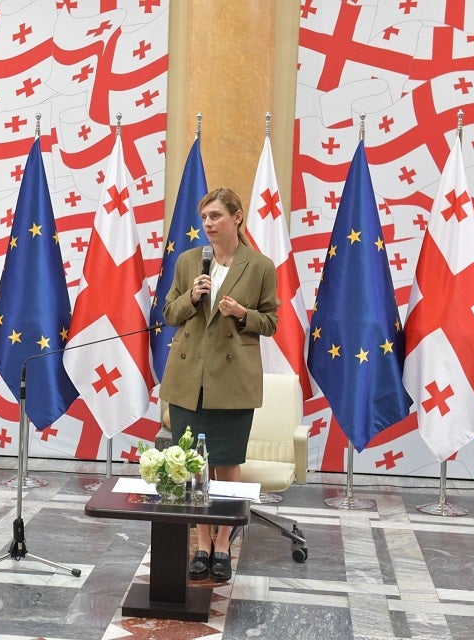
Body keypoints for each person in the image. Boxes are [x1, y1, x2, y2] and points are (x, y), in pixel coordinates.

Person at [158, 187, 279, 582]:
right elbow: (169, 313)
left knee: (226, 464)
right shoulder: (190, 260)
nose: (208, 224)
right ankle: (202, 543)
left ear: (237, 217)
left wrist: (244, 313)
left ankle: (224, 544)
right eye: (205, 217)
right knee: (194, 467)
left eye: (216, 216)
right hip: (189, 379)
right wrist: (191, 297)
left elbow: (271, 323)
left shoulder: (259, 266)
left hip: (232, 381)